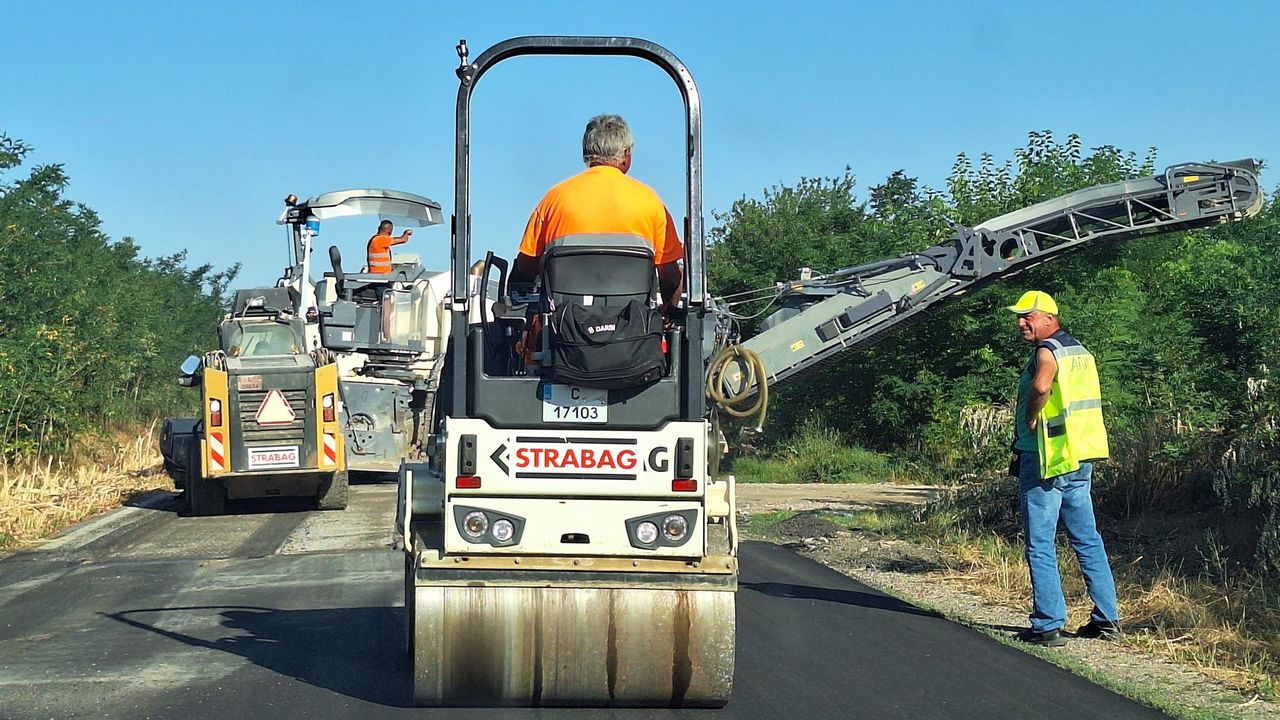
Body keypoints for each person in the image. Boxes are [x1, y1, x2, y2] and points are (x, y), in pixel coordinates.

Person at [1008, 290, 1121, 646]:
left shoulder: (1048, 350)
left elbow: (1042, 385)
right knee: (1087, 539)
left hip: (1046, 459)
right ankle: (1107, 620)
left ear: (1049, 318)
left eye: (1028, 315)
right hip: (1078, 457)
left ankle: (1047, 624)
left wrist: (1029, 416)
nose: (1021, 322)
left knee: (1041, 543)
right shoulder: (1080, 351)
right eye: (1020, 316)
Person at [514, 114, 684, 312]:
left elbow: (525, 264)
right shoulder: (651, 202)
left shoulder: (554, 199)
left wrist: (550, 266)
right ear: (626, 155)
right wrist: (669, 311)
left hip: (565, 332)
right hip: (633, 334)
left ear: (586, 152)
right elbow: (670, 276)